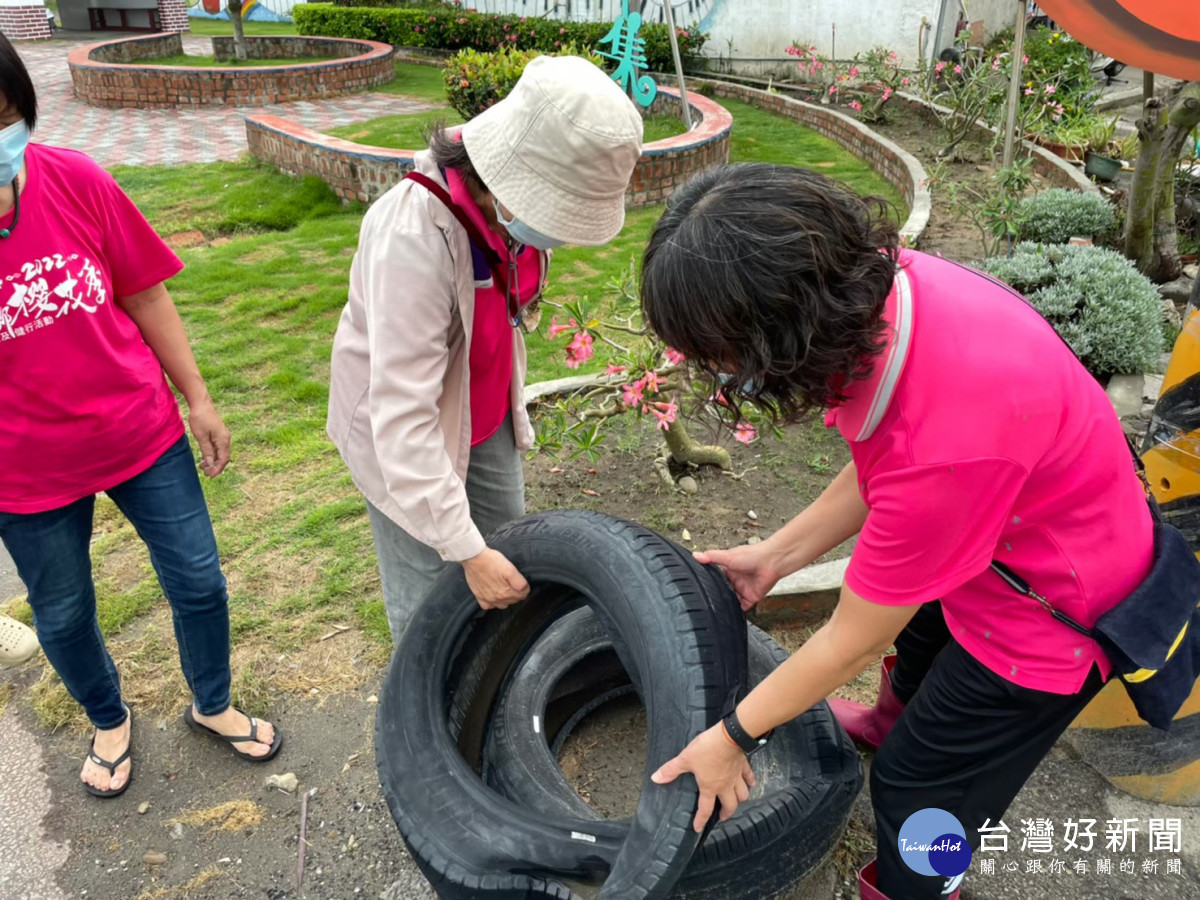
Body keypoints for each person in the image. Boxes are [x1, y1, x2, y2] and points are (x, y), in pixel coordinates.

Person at [643, 164, 1154, 900]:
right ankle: (891, 720)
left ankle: (922, 885)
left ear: (784, 329)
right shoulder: (877, 290)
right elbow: (886, 457)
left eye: (720, 353)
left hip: (1056, 615)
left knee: (924, 783)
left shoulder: (945, 443)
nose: (716, 372)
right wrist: (775, 557)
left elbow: (850, 635)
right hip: (1004, 533)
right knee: (922, 645)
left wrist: (729, 738)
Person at [0, 35, 279, 799]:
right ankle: (108, 718)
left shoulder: (76, 179)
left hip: (140, 432)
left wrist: (199, 397)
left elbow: (146, 292)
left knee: (198, 580)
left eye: (3, 115)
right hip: (25, 473)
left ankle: (213, 703)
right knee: (60, 614)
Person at [328, 55, 643, 644]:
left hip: (483, 412)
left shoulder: (506, 219)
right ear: (506, 175)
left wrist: (481, 551)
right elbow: (402, 417)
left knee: (509, 560)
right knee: (431, 595)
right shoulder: (412, 238)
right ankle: (426, 721)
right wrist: (466, 551)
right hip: (404, 437)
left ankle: (497, 688)